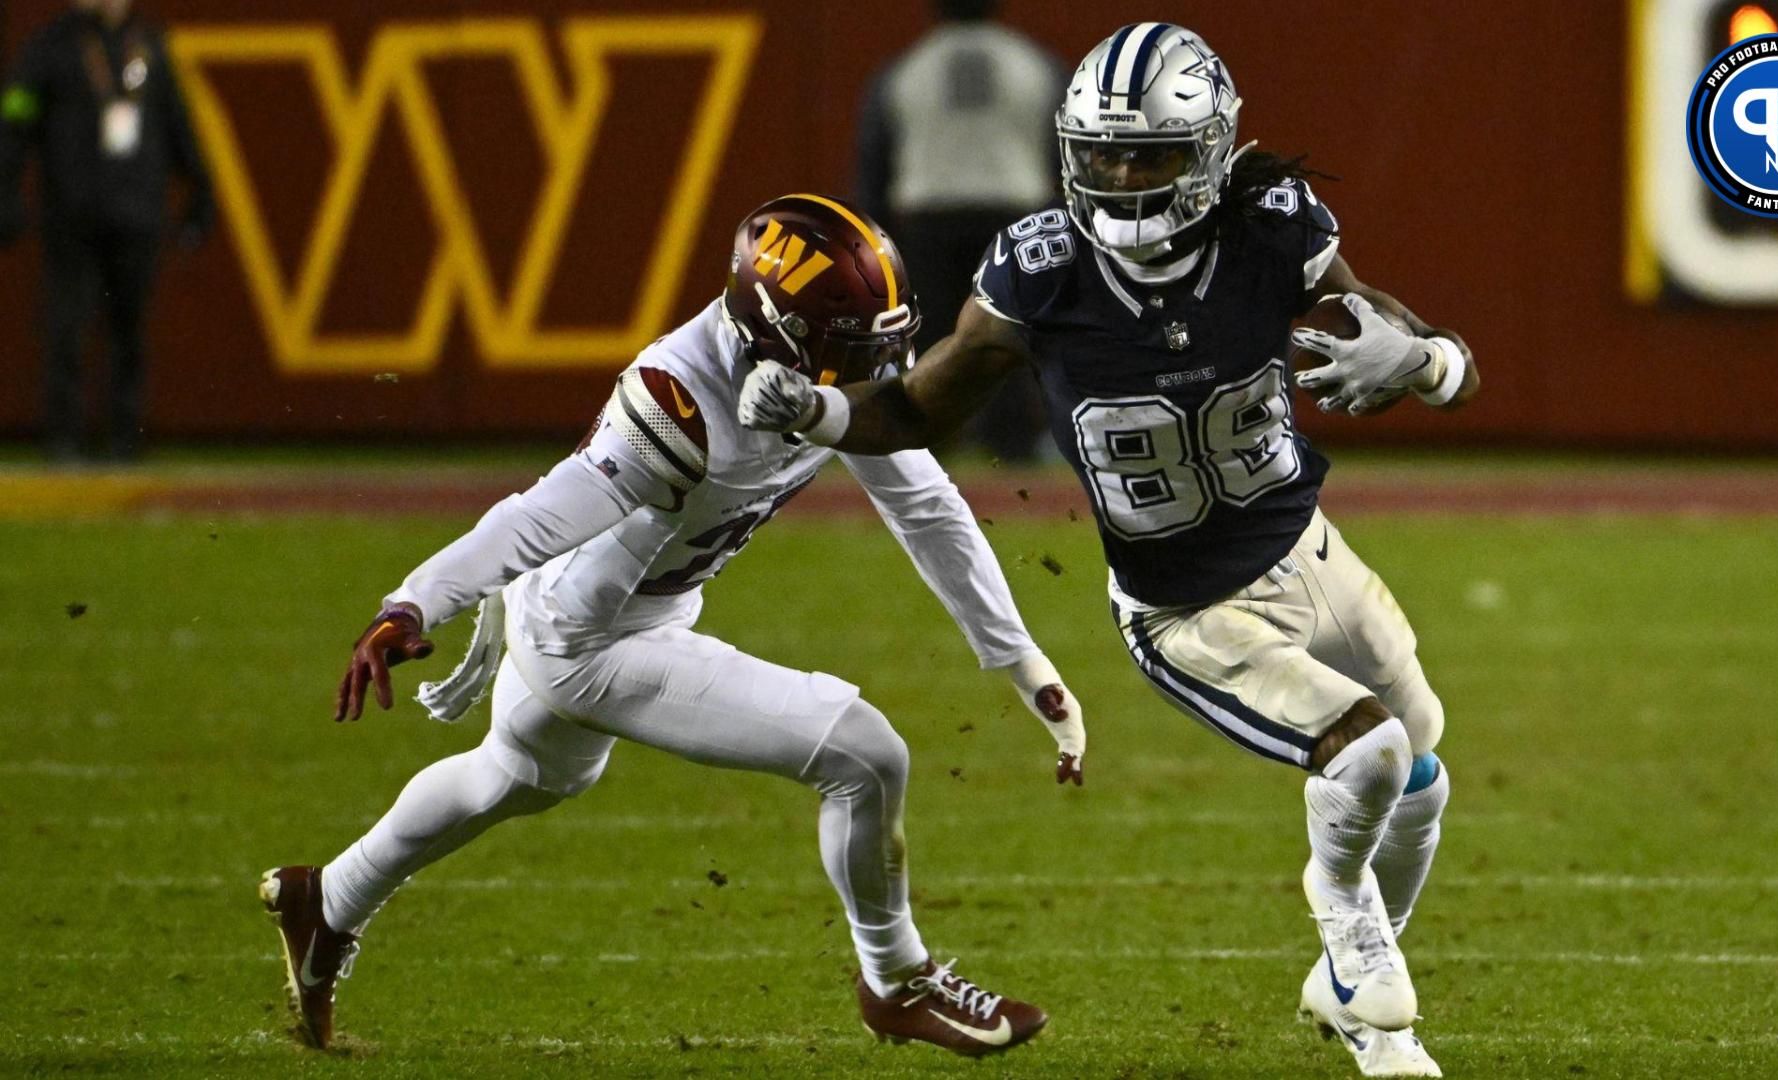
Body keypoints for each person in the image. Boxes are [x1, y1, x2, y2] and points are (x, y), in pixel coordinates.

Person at [739, 24, 1479, 1079]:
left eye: (1153, 155)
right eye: (1107, 154)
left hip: (1307, 548)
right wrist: (817, 412)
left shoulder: (1269, 226)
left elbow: (1381, 320)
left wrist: (1426, 357)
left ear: (1212, 151)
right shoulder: (1042, 271)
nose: (1126, 178)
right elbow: (920, 403)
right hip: (1186, 611)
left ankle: (1347, 978)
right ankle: (1359, 956)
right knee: (1367, 756)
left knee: (1422, 768)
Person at [260, 195, 1085, 1058]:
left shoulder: (817, 361)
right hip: (593, 639)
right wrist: (416, 600)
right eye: (850, 348)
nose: (875, 366)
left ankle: (329, 902)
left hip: (618, 610)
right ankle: (898, 981)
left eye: (880, 342)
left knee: (515, 776)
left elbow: (924, 505)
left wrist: (1019, 657)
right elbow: (539, 517)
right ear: (775, 328)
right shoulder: (678, 396)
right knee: (866, 757)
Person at [0, 0, 212, 462]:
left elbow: (179, 125)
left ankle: (125, 439)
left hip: (137, 214)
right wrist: (7, 192)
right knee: (67, 330)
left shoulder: (150, 48)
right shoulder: (50, 48)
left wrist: (200, 192)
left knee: (129, 332)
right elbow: (13, 120)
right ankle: (64, 440)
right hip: (72, 216)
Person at [854, 0, 1061, 462]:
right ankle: (1014, 447)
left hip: (930, 216)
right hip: (1013, 212)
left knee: (931, 337)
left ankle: (926, 441)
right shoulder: (1034, 65)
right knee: (1007, 332)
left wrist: (877, 240)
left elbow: (874, 165)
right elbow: (1063, 153)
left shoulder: (906, 69)